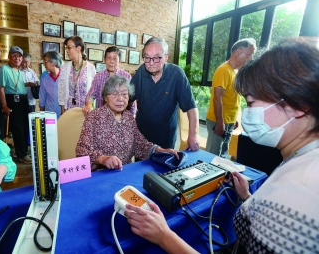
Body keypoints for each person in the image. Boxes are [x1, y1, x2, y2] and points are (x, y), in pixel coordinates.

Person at [124, 38, 319, 253]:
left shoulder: (300, 188)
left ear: (299, 105)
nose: (248, 112)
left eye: (251, 103)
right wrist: (248, 198)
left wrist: (163, 236)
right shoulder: (299, 162)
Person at [76, 75, 179, 171]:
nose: (120, 99)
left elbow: (140, 144)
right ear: (105, 97)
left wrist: (159, 150)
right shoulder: (93, 117)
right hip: (101, 175)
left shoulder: (129, 117)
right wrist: (102, 159)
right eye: (115, 94)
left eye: (124, 94)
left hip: (125, 173)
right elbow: (81, 151)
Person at [130, 37, 199, 150]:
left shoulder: (176, 74)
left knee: (163, 165)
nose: (151, 63)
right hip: (142, 136)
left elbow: (191, 107)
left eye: (156, 58)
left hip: (165, 136)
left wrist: (193, 135)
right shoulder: (142, 71)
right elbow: (127, 98)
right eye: (147, 58)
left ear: (166, 57)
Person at [205, 38, 256, 158]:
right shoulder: (223, 70)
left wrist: (234, 119)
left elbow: (234, 98)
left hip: (229, 120)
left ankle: (219, 177)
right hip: (218, 120)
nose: (251, 59)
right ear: (239, 51)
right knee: (213, 155)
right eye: (249, 54)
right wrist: (220, 122)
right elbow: (218, 99)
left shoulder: (235, 72)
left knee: (222, 154)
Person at [0, 46, 35, 164]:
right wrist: (4, 106)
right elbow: (1, 88)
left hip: (24, 101)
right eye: (14, 56)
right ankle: (22, 154)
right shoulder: (4, 69)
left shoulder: (19, 71)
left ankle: (22, 151)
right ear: (9, 57)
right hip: (13, 101)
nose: (17, 58)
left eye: (19, 56)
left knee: (25, 127)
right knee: (18, 129)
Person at [82, 46, 136, 116]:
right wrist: (89, 104)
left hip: (120, 117)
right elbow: (90, 96)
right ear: (104, 60)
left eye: (115, 58)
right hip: (102, 117)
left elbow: (132, 101)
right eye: (109, 58)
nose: (111, 61)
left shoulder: (126, 76)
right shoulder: (99, 76)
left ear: (119, 61)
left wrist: (132, 116)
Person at [58, 36, 96, 114]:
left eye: (69, 48)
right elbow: (61, 91)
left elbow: (94, 91)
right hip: (69, 111)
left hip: (86, 111)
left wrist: (90, 106)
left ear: (78, 49)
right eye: (66, 48)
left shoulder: (90, 68)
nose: (67, 51)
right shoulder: (65, 68)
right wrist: (62, 112)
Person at [39, 51, 63, 118]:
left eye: (45, 61)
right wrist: (41, 116)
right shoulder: (45, 79)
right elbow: (42, 99)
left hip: (64, 115)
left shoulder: (65, 77)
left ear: (53, 63)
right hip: (49, 116)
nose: (44, 64)